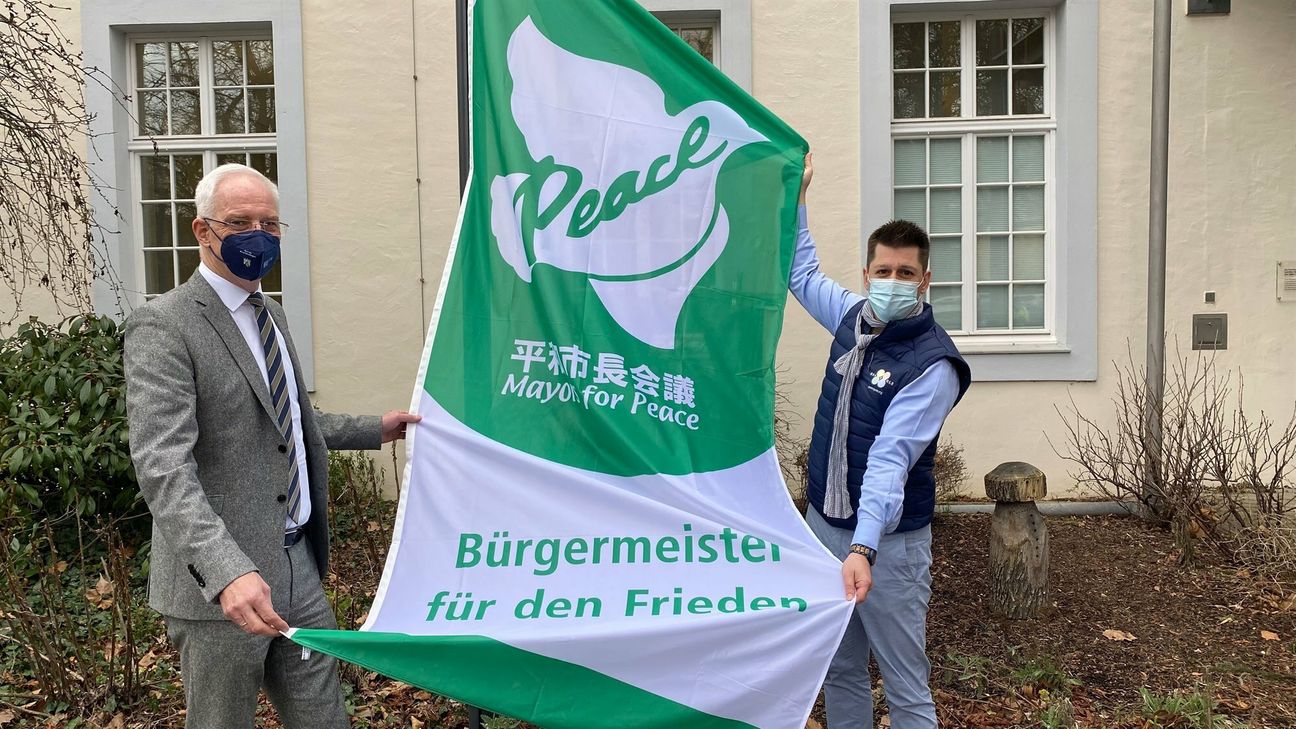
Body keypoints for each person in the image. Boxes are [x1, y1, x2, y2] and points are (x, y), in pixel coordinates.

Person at [123, 163, 421, 729]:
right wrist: (226, 569)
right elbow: (163, 464)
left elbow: (288, 421)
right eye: (239, 222)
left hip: (296, 565)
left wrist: (375, 429)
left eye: (269, 223)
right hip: (221, 585)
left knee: (324, 717)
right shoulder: (165, 325)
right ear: (201, 231)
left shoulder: (272, 315)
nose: (257, 235)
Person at [791, 153, 971, 729]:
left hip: (889, 546)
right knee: (840, 668)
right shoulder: (851, 316)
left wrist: (863, 548)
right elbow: (800, 275)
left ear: (925, 280)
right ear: (866, 274)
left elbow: (890, 460)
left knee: (903, 681)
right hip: (827, 525)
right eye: (883, 271)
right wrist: (797, 201)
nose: (892, 282)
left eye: (906, 273)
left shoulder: (933, 365)